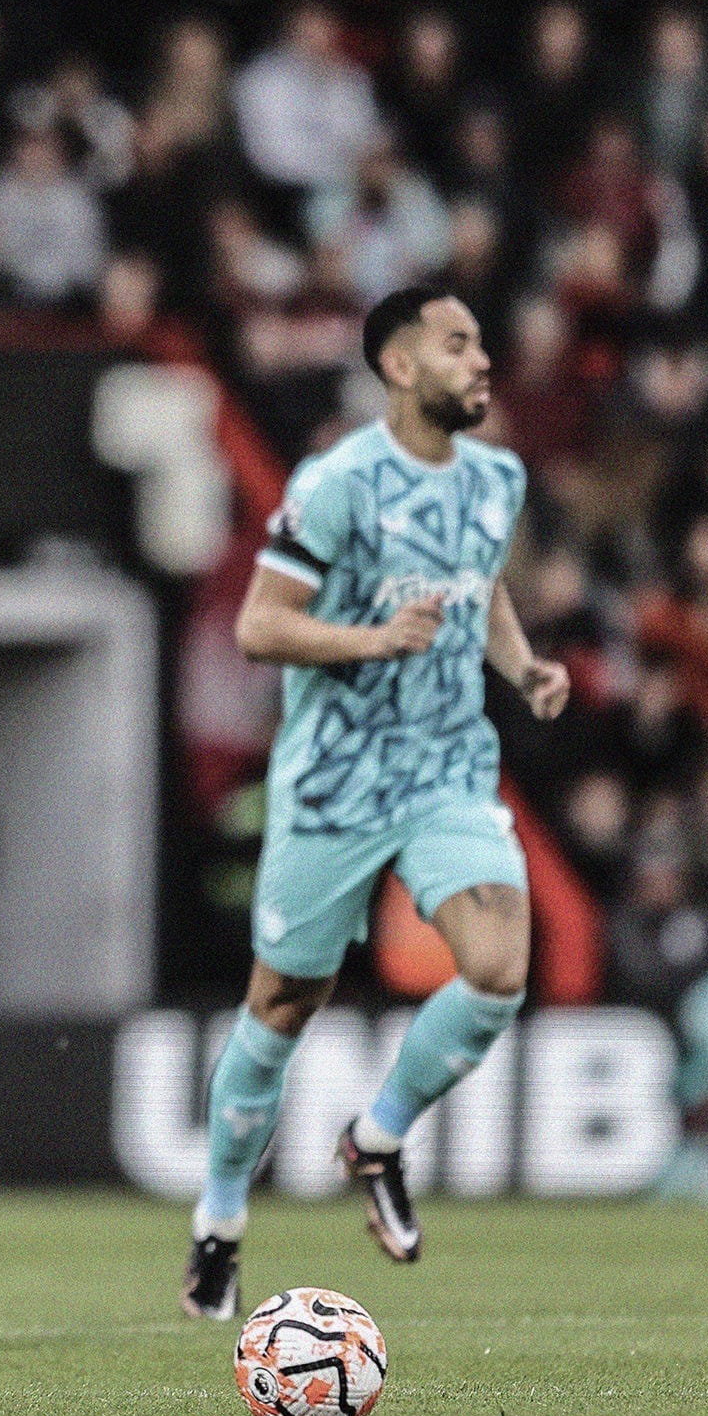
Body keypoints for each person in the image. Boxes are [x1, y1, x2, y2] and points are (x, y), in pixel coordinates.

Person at [182, 286, 571, 1321]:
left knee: (496, 969)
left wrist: (524, 666)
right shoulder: (339, 482)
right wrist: (372, 640)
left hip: (446, 769)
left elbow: (479, 583)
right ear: (399, 368)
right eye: (457, 344)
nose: (481, 360)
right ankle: (219, 1220)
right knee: (281, 1006)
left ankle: (378, 1133)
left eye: (482, 340)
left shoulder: (496, 476)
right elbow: (262, 628)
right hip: (332, 783)